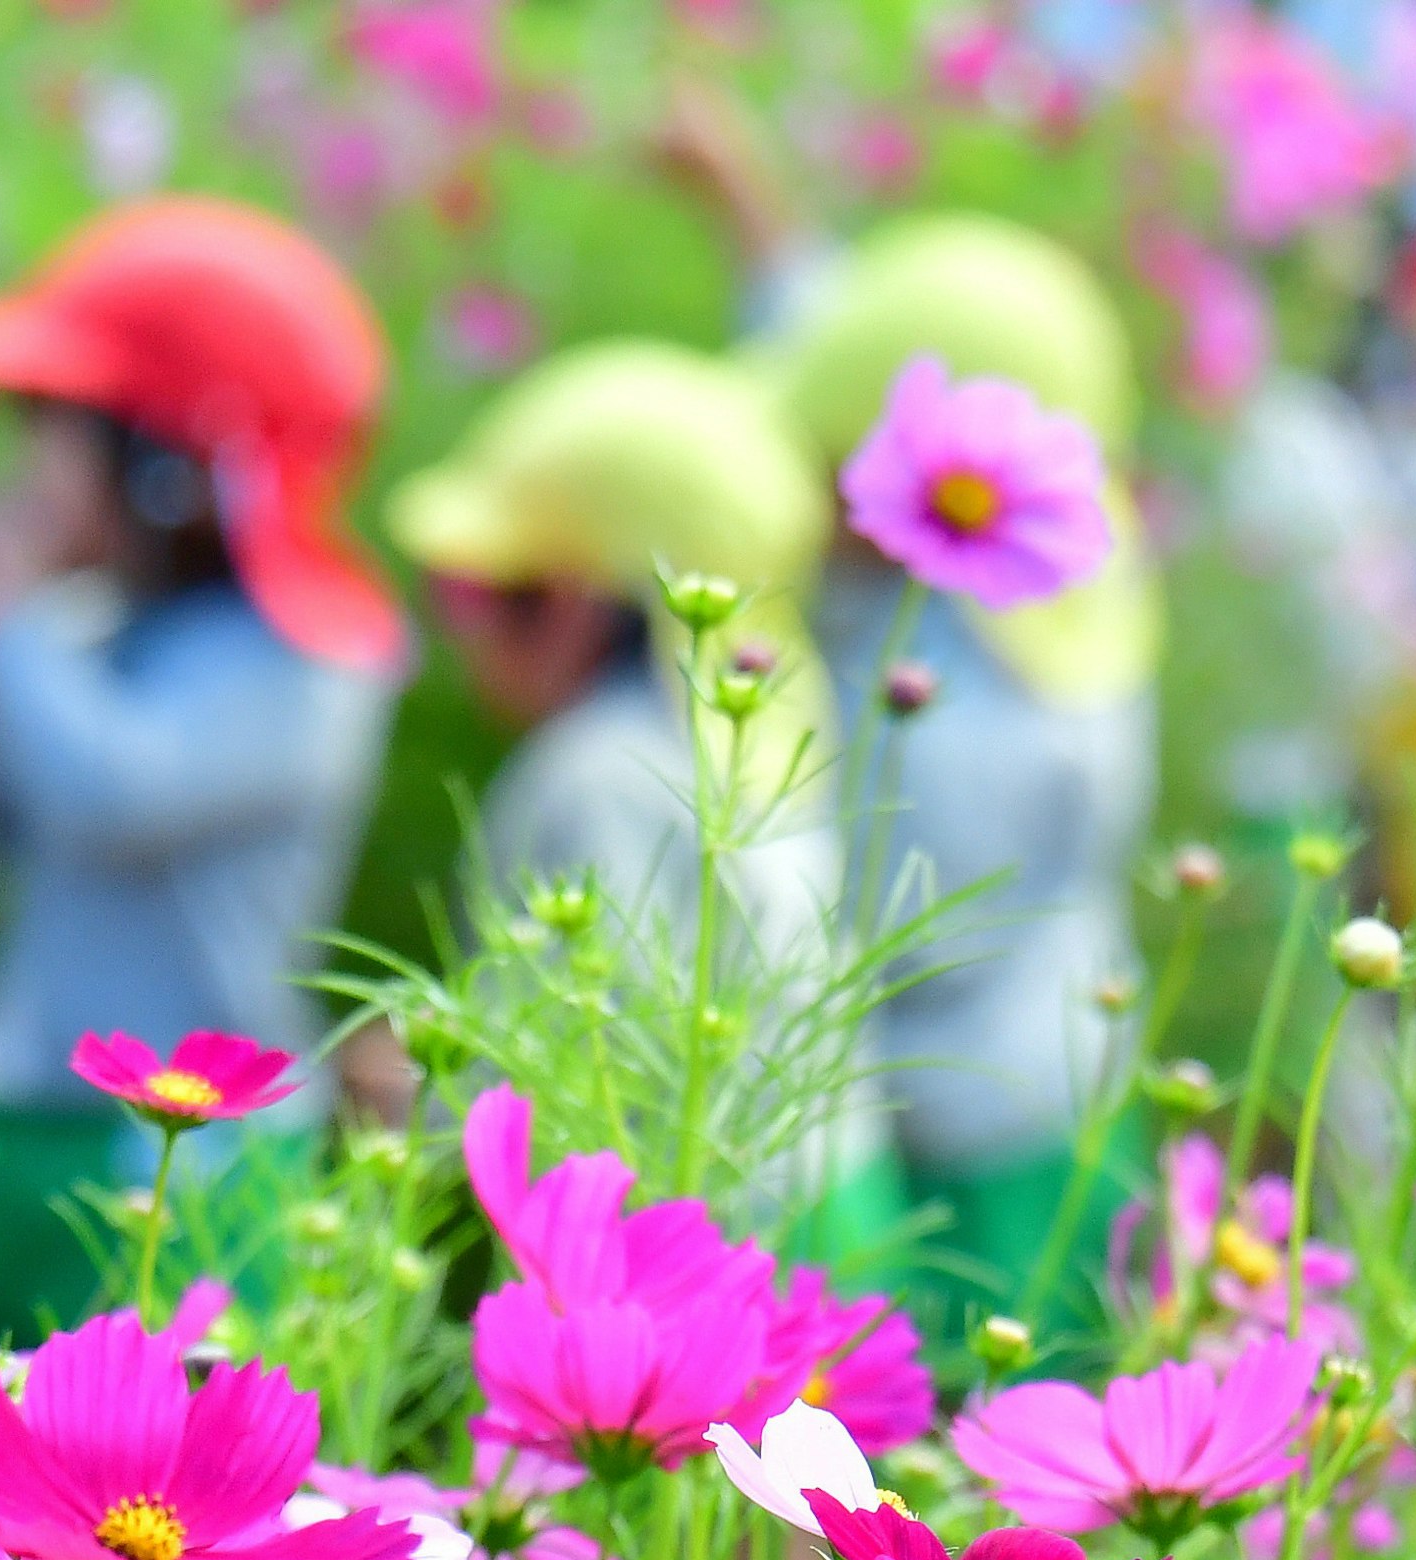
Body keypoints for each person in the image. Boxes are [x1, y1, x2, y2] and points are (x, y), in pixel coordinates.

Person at [0, 197, 406, 1343]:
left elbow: (113, 792)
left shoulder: (303, 664)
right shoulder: (88, 637)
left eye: (53, 430)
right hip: (27, 1118)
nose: (26, 469)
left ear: (166, 460)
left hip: (184, 1157)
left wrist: (7, 627)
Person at [382, 339, 890, 1228]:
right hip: (839, 1190)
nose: (462, 633)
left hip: (715, 1234)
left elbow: (577, 1064)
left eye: (483, 593)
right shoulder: (771, 720)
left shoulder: (594, 775)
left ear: (574, 600)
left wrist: (421, 1094)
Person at [768, 213, 1159, 1316]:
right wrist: (763, 230)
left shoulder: (964, 718)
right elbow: (866, 359)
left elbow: (920, 938)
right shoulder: (1068, 564)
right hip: (1070, 1058)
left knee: (999, 1396)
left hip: (975, 1134)